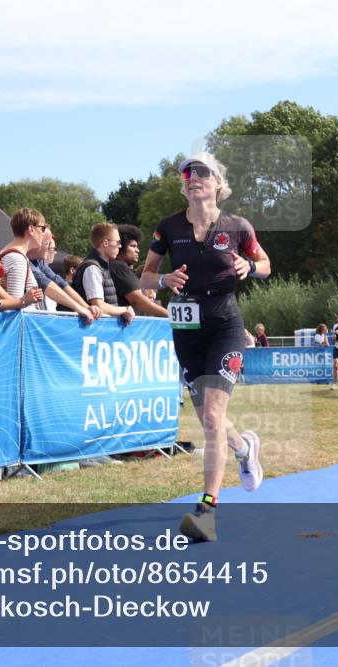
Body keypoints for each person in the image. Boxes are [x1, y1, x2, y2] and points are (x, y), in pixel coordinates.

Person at [139, 151, 270, 542]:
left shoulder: (238, 227)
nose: (193, 177)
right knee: (211, 421)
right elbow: (144, 277)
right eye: (187, 173)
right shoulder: (168, 227)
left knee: (212, 416)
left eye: (201, 172)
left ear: (217, 183)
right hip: (187, 329)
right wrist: (164, 282)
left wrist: (251, 268)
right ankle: (245, 449)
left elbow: (266, 264)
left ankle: (206, 511)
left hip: (225, 323)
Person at [0, 208, 97, 321]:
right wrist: (79, 308)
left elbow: (56, 281)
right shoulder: (17, 259)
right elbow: (13, 310)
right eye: (42, 228)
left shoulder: (12, 255)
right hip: (18, 332)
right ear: (31, 230)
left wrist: (82, 307)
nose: (43, 233)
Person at [72, 222, 135, 325]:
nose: (120, 246)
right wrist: (125, 310)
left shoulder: (100, 267)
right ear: (105, 243)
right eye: (117, 242)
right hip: (91, 332)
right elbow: (99, 306)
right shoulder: (92, 268)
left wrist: (121, 312)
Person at [110, 224, 167, 317]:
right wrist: (170, 315)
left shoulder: (119, 267)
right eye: (133, 246)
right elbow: (137, 300)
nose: (137, 250)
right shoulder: (118, 267)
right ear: (121, 247)